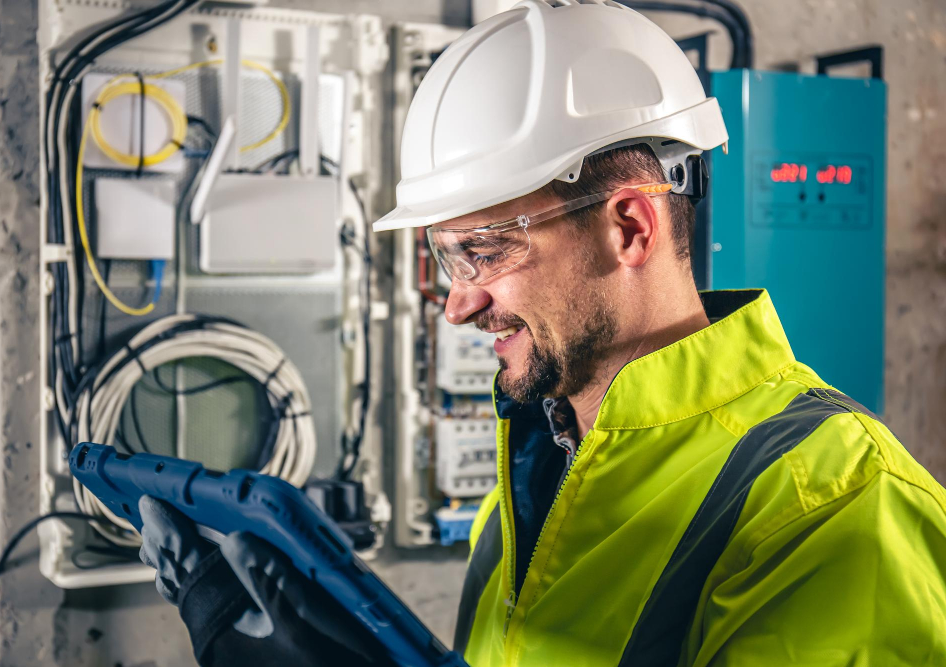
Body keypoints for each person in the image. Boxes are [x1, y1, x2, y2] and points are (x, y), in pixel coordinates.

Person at [140, 1, 946, 665]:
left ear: (629, 224)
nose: (457, 306)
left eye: (483, 253)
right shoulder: (533, 478)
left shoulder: (835, 509)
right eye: (446, 257)